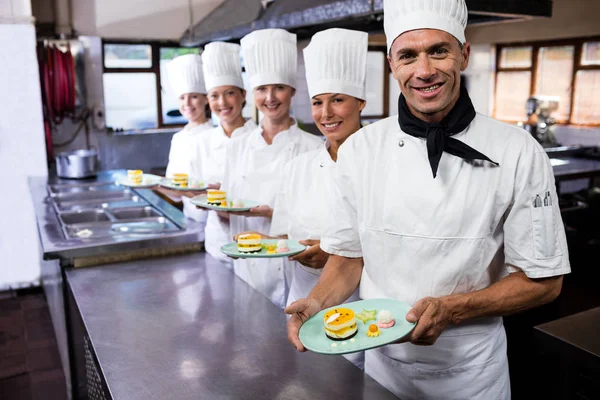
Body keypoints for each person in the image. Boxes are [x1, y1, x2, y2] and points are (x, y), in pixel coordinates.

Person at [285, 0, 571, 398]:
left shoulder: (519, 151)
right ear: (391, 65)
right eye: (408, 56)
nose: (423, 71)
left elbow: (544, 281)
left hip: (471, 372)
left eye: (439, 50)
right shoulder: (360, 150)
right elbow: (349, 255)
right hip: (381, 364)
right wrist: (316, 302)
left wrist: (452, 308)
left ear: (464, 55)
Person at [269, 28, 368, 368]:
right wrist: (293, 249)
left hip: (364, 307)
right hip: (304, 300)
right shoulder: (298, 167)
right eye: (317, 102)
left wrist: (333, 252)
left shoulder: (382, 163)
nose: (326, 113)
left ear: (360, 102)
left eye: (338, 99)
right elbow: (282, 234)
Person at [221, 28, 323, 309]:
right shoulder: (238, 145)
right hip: (244, 266)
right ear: (252, 93)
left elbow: (318, 220)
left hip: (292, 272)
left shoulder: (313, 147)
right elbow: (226, 203)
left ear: (292, 90)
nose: (270, 97)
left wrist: (273, 213)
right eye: (262, 89)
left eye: (278, 87)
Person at [185, 42, 257, 266]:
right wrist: (206, 197)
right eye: (214, 96)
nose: (222, 103)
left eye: (229, 94)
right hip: (216, 245)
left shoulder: (260, 139)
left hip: (257, 242)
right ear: (208, 100)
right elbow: (191, 189)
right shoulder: (201, 142)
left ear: (243, 95)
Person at [163, 54, 213, 225]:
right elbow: (173, 192)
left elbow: (216, 190)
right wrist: (160, 186)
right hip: (189, 220)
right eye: (182, 97)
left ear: (206, 98)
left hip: (213, 222)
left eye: (194, 96)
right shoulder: (178, 139)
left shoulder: (215, 136)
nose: (187, 104)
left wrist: (181, 190)